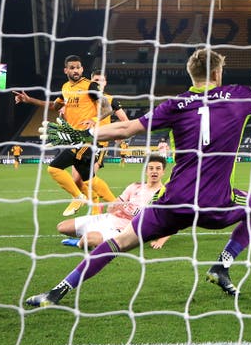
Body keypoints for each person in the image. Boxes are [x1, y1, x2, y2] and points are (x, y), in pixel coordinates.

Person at [26, 50, 251, 307]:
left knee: (121, 243)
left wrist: (86, 134)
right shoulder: (238, 94)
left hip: (173, 202)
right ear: (218, 72)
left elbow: (127, 128)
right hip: (216, 204)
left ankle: (57, 291)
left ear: (191, 73)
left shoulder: (175, 103)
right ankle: (222, 264)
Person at [14, 55, 114, 217]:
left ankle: (78, 197)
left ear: (82, 69)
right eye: (72, 68)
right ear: (66, 70)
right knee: (89, 180)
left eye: (78, 67)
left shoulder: (90, 86)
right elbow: (54, 106)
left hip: (86, 138)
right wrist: (29, 100)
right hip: (74, 139)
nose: (75, 70)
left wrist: (94, 119)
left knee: (54, 168)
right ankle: (118, 205)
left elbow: (107, 108)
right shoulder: (66, 87)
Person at [59, 155, 169, 249]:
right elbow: (113, 206)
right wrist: (114, 206)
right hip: (110, 218)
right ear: (146, 171)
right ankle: (90, 237)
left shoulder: (163, 194)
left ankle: (80, 242)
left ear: (163, 171)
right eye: (151, 168)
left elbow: (171, 220)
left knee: (89, 239)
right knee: (62, 227)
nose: (154, 171)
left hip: (126, 230)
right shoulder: (135, 186)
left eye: (158, 168)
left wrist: (160, 241)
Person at [70, 69, 129, 215]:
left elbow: (125, 121)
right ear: (91, 82)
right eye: (95, 80)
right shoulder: (83, 99)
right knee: (75, 180)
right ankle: (96, 206)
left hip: (99, 144)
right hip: (82, 141)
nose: (98, 83)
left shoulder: (110, 100)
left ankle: (100, 210)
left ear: (105, 83)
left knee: (88, 179)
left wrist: (118, 136)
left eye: (101, 80)